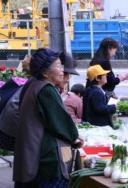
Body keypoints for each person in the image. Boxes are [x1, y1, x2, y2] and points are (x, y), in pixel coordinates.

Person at [13, 48, 83, 187]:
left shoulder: (31, 84)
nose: (62, 70)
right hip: (47, 160)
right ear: (45, 72)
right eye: (58, 66)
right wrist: (75, 137)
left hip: (30, 155)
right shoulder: (46, 89)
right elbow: (60, 122)